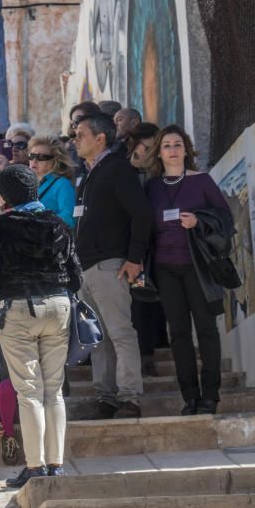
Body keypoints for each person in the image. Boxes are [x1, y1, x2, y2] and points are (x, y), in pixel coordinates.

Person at [0, 165, 82, 487]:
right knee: (54, 390)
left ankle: (35, 467)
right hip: (59, 307)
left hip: (19, 309)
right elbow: (76, 275)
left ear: (5, 195)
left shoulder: (2, 225)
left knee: (29, 391)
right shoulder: (58, 224)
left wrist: (2, 299)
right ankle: (56, 464)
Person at [145, 125, 231, 415]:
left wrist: (198, 222)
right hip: (165, 268)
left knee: (206, 330)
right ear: (159, 151)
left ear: (186, 150)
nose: (172, 150)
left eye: (177, 144)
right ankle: (190, 398)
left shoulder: (202, 181)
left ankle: (210, 396)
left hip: (197, 266)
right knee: (178, 333)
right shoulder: (152, 186)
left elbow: (225, 220)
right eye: (166, 145)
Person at [73, 113, 152, 419]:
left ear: (100, 138)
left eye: (81, 134)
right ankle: (105, 398)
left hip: (110, 265)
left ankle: (130, 398)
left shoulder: (117, 169)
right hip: (85, 270)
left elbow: (141, 215)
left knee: (120, 332)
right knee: (95, 337)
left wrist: (134, 258)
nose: (75, 140)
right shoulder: (88, 176)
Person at [124, 122, 167, 377]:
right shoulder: (126, 173)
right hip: (136, 253)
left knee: (157, 303)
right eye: (147, 146)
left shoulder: (159, 175)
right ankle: (145, 357)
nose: (151, 152)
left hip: (160, 251)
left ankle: (159, 347)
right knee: (140, 302)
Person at [27, 137, 77, 227]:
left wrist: (39, 221)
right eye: (31, 156)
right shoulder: (27, 184)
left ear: (55, 160)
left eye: (41, 157)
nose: (34, 161)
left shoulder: (63, 184)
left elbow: (69, 218)